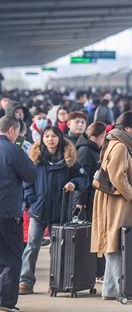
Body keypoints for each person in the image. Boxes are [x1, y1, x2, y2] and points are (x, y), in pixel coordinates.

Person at [19, 126, 88, 295]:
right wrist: (32, 201)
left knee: (58, 249)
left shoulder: (69, 158)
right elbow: (26, 182)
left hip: (61, 211)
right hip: (38, 210)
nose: (50, 139)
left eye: (54, 136)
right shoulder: (35, 158)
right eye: (47, 136)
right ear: (42, 138)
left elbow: (83, 177)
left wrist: (75, 184)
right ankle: (25, 281)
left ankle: (57, 281)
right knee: (32, 246)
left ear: (60, 138)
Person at [90, 112, 132, 301]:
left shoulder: (113, 142)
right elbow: (117, 176)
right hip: (117, 202)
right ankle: (113, 289)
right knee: (116, 242)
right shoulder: (121, 146)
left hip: (112, 200)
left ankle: (111, 288)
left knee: (114, 243)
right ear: (129, 128)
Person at [0, 117, 37, 311]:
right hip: (7, 212)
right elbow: (31, 174)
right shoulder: (13, 150)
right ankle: (5, 302)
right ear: (12, 130)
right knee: (11, 258)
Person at [74, 121, 107, 220]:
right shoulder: (85, 151)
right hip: (85, 201)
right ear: (95, 137)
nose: (104, 140)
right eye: (103, 137)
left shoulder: (93, 149)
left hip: (92, 197)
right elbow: (83, 176)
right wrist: (80, 202)